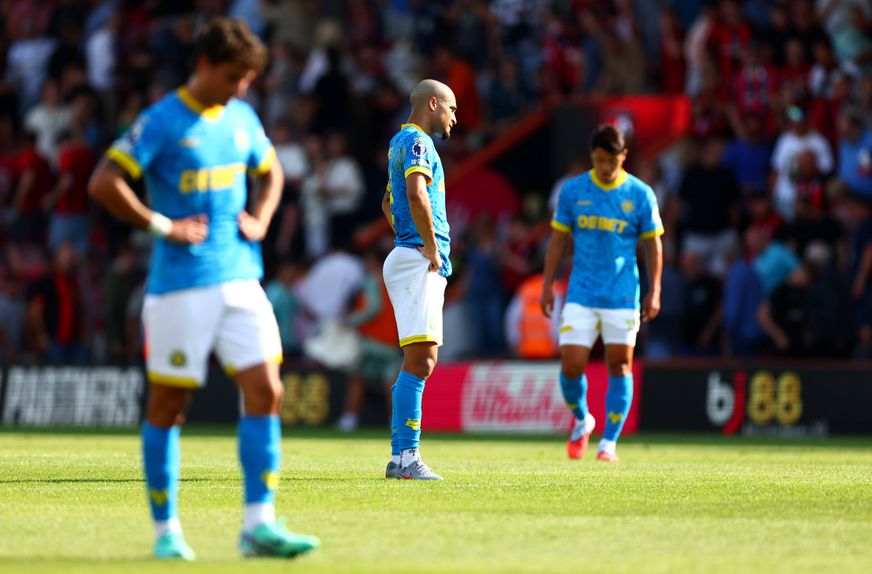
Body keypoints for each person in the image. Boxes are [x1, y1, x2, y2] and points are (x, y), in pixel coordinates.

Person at [87, 19, 318, 561]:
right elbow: (104, 182)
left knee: (268, 390)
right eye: (234, 77)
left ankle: (257, 526)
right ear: (206, 65)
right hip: (180, 286)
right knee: (169, 405)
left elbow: (272, 171)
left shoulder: (241, 116)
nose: (242, 88)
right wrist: (162, 225)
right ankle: (167, 531)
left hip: (241, 275)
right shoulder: (163, 120)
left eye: (248, 80)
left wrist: (260, 217)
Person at [541, 124, 663, 463]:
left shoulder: (640, 195)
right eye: (598, 160)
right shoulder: (573, 191)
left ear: (623, 156)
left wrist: (655, 291)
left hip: (623, 294)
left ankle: (609, 442)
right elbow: (557, 241)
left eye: (610, 160)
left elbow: (653, 244)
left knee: (620, 365)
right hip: (581, 291)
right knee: (571, 365)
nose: (604, 167)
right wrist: (548, 284)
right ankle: (582, 420)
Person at [381, 79, 457, 480]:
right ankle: (407, 458)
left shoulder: (398, 141)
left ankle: (401, 457)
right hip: (417, 259)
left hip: (408, 256)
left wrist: (408, 238)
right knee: (422, 359)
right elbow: (414, 194)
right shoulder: (419, 143)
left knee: (419, 358)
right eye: (452, 109)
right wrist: (428, 245)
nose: (454, 118)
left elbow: (386, 202)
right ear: (434, 103)